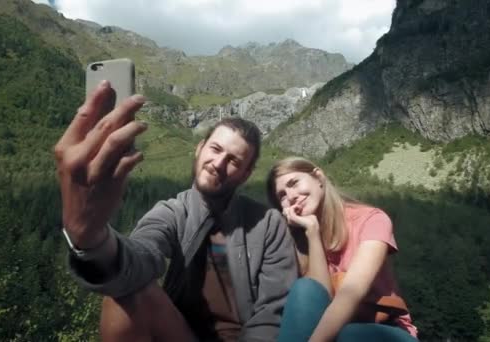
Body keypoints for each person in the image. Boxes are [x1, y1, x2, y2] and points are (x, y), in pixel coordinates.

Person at [54, 80, 298, 341]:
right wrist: (89, 238)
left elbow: (272, 312)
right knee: (125, 292)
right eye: (215, 149)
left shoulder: (268, 224)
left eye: (234, 161)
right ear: (199, 148)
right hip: (179, 333)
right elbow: (142, 254)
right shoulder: (172, 212)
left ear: (246, 174)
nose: (218, 163)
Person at [266, 157, 418, 341]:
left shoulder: (371, 220)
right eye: (282, 195)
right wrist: (312, 232)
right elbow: (319, 296)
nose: (291, 196)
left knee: (347, 335)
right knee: (305, 288)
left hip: (385, 331)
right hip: (334, 333)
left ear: (319, 177)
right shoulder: (296, 240)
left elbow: (351, 294)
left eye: (294, 183)